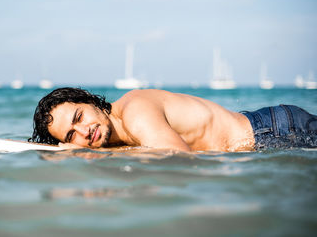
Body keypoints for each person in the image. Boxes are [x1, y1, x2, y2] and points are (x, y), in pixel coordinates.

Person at [29, 87, 317, 152]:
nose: (83, 131)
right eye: (70, 135)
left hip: (276, 130)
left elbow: (178, 158)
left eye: (79, 117)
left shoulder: (135, 111)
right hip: (262, 132)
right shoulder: (116, 136)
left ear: (92, 102)